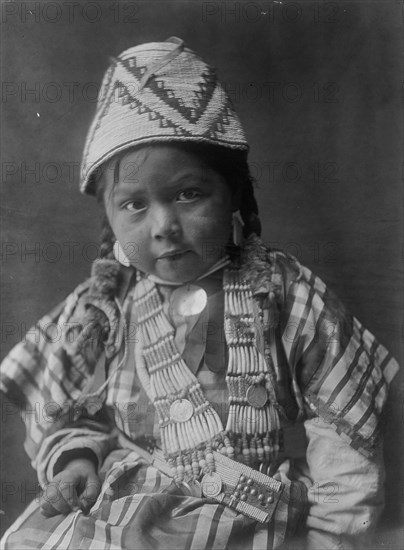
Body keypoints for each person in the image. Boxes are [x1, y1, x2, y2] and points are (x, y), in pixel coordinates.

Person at [0, 37, 399, 550]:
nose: (165, 225)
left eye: (189, 194)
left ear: (233, 192)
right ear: (110, 216)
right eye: (135, 205)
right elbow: (66, 412)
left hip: (250, 518)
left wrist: (334, 538)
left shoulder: (283, 293)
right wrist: (77, 460)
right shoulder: (103, 306)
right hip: (123, 511)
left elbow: (345, 434)